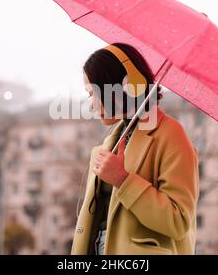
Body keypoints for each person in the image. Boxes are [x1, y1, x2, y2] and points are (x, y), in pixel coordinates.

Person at [71, 42, 199, 255]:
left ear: (126, 85)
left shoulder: (171, 136)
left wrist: (123, 180)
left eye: (93, 93)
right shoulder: (112, 141)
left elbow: (178, 222)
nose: (91, 104)